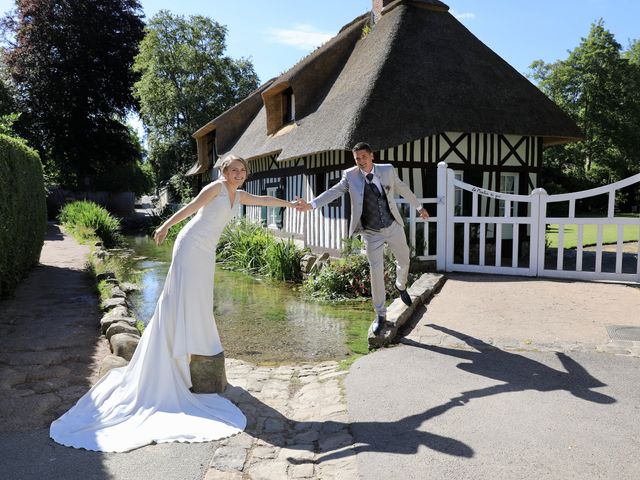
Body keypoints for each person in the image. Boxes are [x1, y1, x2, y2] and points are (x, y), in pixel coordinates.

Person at [50, 155, 298, 452]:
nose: (239, 174)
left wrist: (290, 204)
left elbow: (264, 200)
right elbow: (190, 209)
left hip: (206, 251)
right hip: (191, 245)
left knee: (199, 299)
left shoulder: (240, 193)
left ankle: (191, 344)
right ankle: (176, 350)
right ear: (224, 171)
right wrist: (164, 226)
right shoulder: (217, 188)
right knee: (181, 297)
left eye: (242, 170)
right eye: (234, 170)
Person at [297, 142, 429, 335]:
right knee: (376, 271)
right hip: (371, 232)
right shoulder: (350, 176)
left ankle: (401, 285)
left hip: (393, 226)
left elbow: (402, 188)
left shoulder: (387, 170)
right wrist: (311, 204)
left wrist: (419, 207)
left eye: (363, 157)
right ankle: (380, 315)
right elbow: (333, 192)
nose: (360, 161)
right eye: (357, 158)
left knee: (404, 259)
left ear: (371, 156)